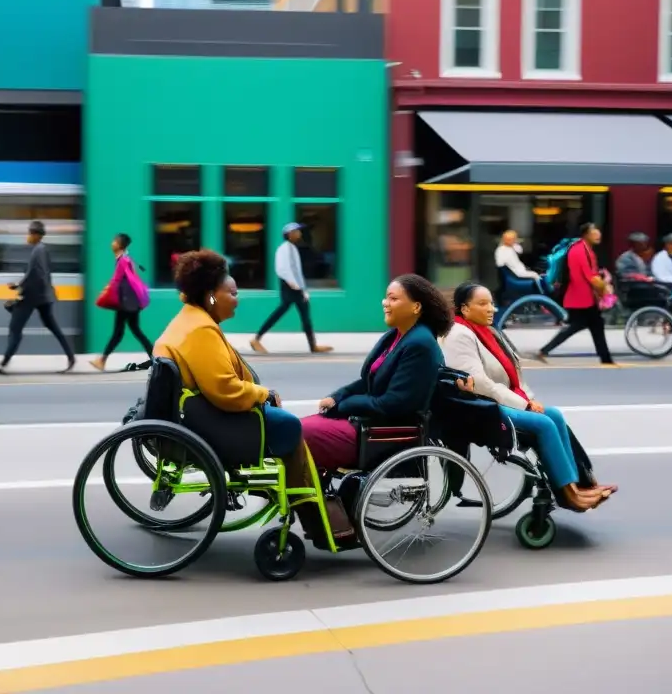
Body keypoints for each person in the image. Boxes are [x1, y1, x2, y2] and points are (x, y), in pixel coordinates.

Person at [154, 249, 355, 543]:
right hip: (219, 421)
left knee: (288, 429)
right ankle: (313, 513)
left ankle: (308, 504)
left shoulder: (190, 319)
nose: (238, 299)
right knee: (291, 427)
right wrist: (262, 394)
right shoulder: (201, 331)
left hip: (202, 414)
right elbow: (226, 390)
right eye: (232, 293)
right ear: (211, 295)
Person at [443, 282, 616, 510]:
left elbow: (514, 371)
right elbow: (481, 384)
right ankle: (568, 495)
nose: (491, 309)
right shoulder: (459, 334)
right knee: (543, 424)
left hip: (496, 401)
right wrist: (524, 405)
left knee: (552, 414)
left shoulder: (488, 332)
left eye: (492, 304)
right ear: (464, 309)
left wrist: (529, 400)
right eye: (483, 304)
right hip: (480, 407)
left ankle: (578, 483)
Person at [300, 274, 455, 473]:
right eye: (386, 297)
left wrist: (344, 405)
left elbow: (394, 404)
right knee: (296, 428)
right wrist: (336, 397)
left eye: (393, 298)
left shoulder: (420, 344)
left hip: (384, 431)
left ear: (416, 307)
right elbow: (369, 381)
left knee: (301, 433)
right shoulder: (396, 336)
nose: (385, 303)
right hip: (368, 422)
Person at [0, 220, 76, 374]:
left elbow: (36, 275)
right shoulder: (43, 250)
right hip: (44, 296)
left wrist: (19, 288)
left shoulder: (38, 251)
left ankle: (3, 363)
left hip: (33, 296)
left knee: (15, 327)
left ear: (35, 235)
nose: (27, 236)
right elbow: (41, 274)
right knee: (53, 327)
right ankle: (71, 357)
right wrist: (20, 285)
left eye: (29, 233)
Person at [533, 223, 614, 366]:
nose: (598, 234)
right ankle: (544, 350)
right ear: (586, 234)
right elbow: (590, 276)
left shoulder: (584, 249)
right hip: (581, 297)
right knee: (581, 325)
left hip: (583, 296)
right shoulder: (580, 250)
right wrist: (605, 287)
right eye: (594, 232)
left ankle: (606, 359)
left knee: (593, 325)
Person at [250, 223, 333, 355]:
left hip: (296, 287)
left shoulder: (292, 248)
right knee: (283, 312)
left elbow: (297, 271)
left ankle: (313, 345)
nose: (299, 234)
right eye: (297, 232)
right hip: (289, 286)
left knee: (303, 314)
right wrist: (294, 284)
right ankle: (256, 339)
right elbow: (282, 269)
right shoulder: (284, 249)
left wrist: (303, 289)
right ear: (289, 234)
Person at [91, 233, 155, 371]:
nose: (112, 243)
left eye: (114, 241)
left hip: (126, 303)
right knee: (134, 330)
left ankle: (102, 360)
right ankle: (156, 358)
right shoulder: (125, 259)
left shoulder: (123, 260)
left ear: (119, 245)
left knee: (119, 332)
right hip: (130, 302)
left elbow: (116, 280)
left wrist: (105, 293)